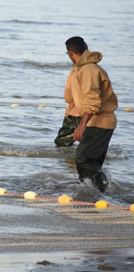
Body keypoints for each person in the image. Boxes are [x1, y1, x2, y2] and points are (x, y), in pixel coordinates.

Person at [55, 36, 117, 191]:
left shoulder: (89, 70)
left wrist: (81, 126)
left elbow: (92, 100)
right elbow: (73, 98)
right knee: (92, 162)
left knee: (83, 159)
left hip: (99, 121)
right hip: (95, 120)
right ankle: (94, 192)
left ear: (70, 53)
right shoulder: (80, 69)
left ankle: (105, 190)